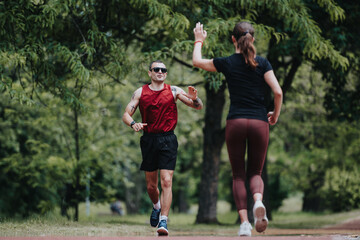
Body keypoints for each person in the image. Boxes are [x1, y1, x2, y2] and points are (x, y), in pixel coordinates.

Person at [192, 22, 283, 236]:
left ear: (233, 39)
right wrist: (274, 115)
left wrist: (199, 40)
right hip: (260, 122)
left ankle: (244, 224)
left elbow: (197, 61)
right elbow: (278, 92)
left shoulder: (227, 63)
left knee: (238, 175)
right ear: (253, 38)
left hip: (236, 122)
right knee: (256, 172)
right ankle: (258, 202)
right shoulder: (263, 63)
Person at [122, 60, 203, 236]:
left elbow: (198, 106)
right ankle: (156, 206)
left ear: (166, 74)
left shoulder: (174, 91)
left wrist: (195, 97)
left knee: (166, 180)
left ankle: (164, 220)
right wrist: (134, 124)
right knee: (151, 186)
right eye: (156, 69)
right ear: (150, 73)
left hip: (168, 139)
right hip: (149, 139)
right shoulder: (140, 92)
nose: (160, 71)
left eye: (163, 70)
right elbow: (126, 115)